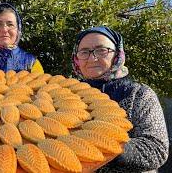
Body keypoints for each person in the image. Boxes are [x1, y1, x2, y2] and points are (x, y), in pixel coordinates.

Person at [71, 26, 169, 172]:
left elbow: (156, 149)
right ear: (76, 58)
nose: (92, 58)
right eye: (84, 52)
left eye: (101, 50)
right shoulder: (69, 93)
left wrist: (105, 148)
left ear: (117, 54)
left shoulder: (139, 94)